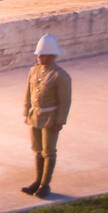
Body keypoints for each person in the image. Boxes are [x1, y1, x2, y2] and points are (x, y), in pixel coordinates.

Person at [22, 34, 71, 199]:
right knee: (37, 150)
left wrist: (60, 121)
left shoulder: (60, 76)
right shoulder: (33, 71)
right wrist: (26, 111)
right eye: (38, 55)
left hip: (50, 118)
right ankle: (37, 181)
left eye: (42, 55)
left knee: (48, 151)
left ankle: (45, 184)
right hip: (35, 115)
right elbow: (28, 93)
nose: (38, 57)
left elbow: (65, 101)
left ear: (51, 56)